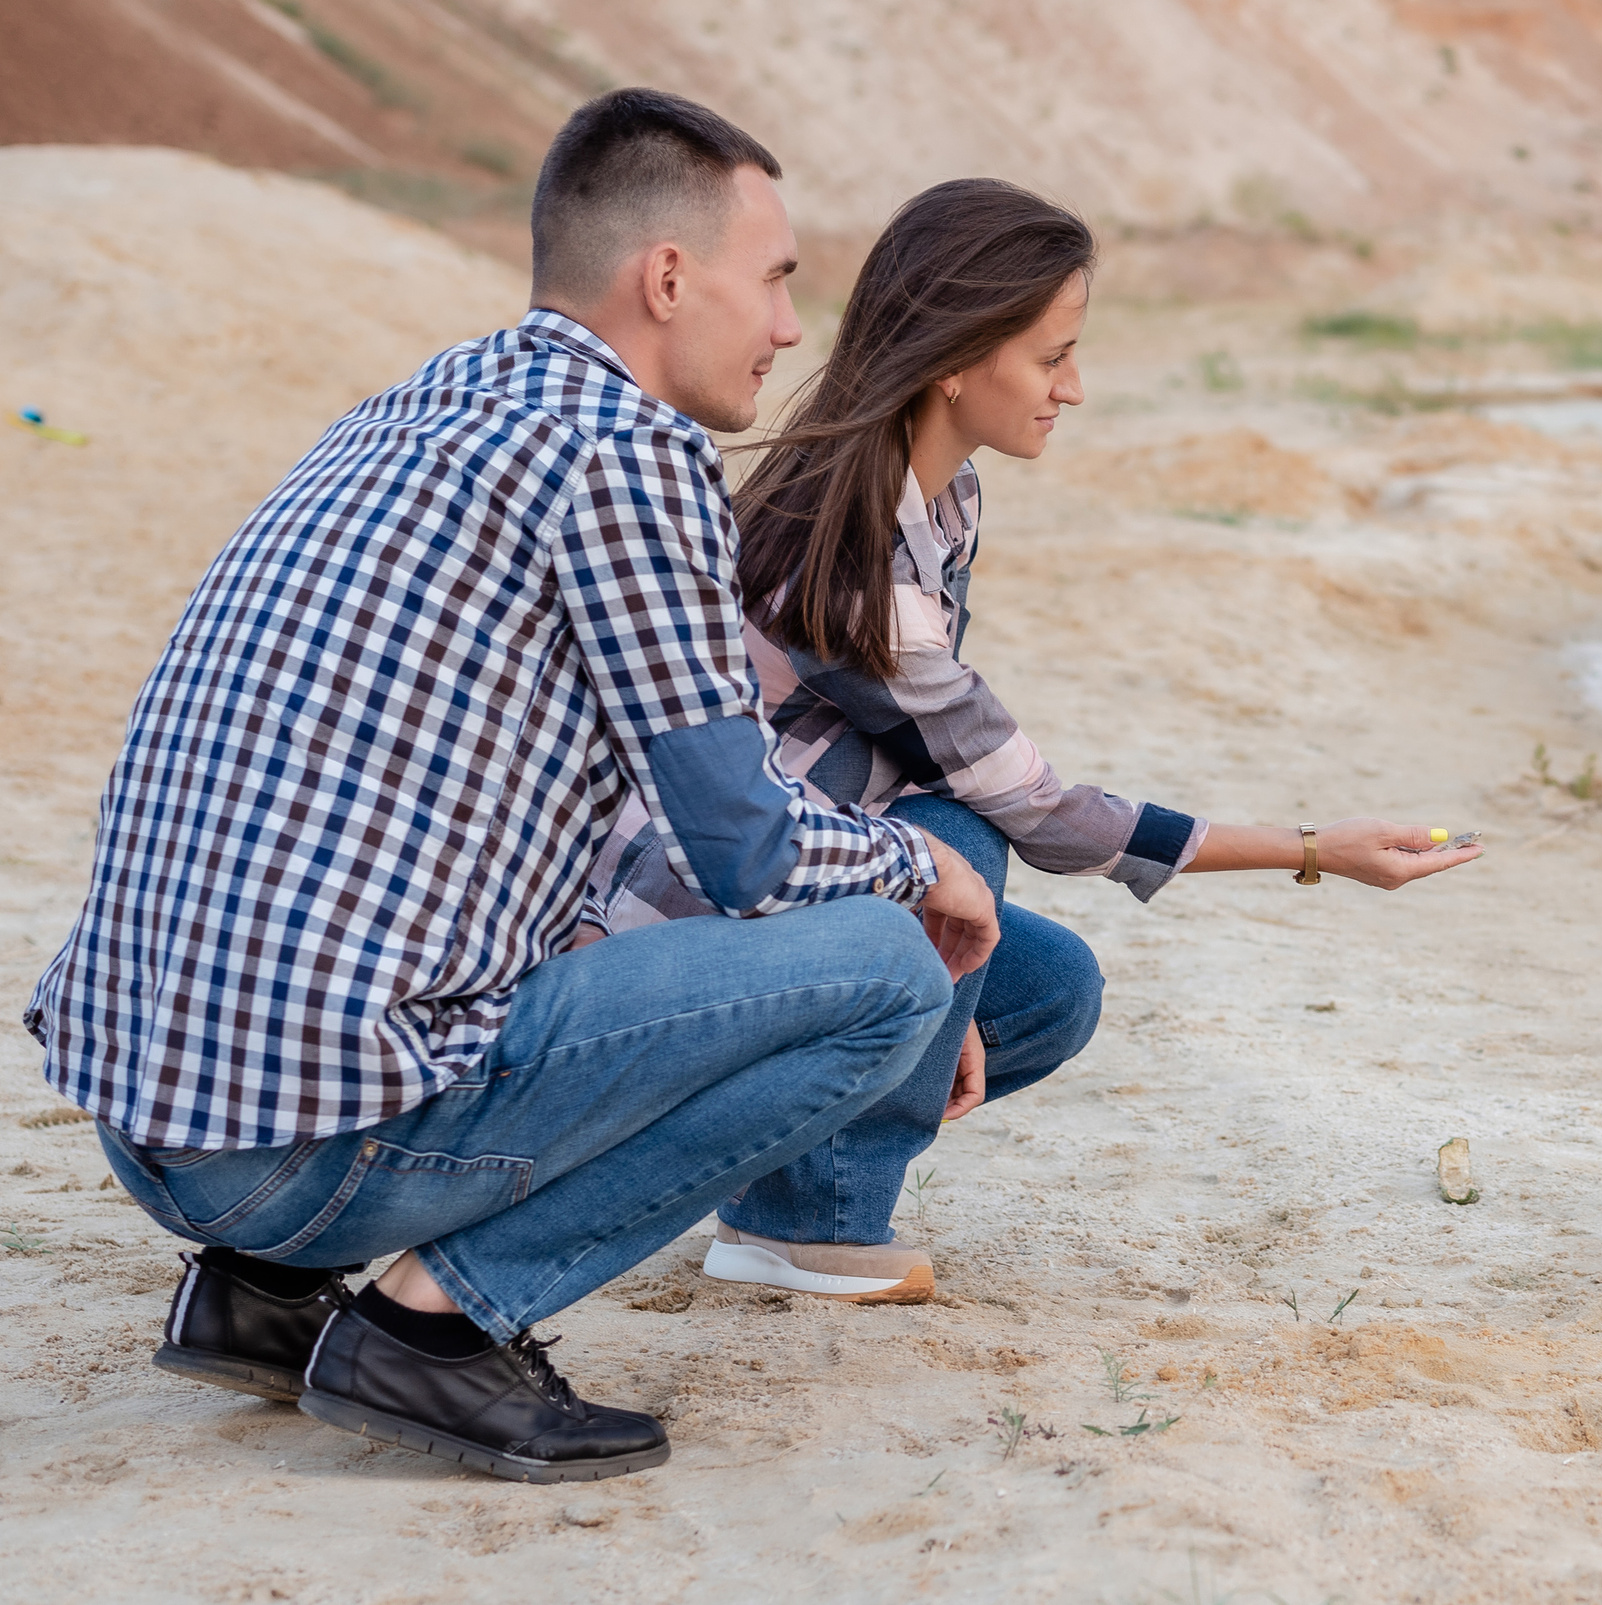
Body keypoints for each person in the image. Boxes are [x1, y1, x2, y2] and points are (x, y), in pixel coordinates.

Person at [21, 89, 1008, 1483]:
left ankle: (259, 1296)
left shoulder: (422, 404)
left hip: (155, 1129)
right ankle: (436, 1336)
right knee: (888, 969)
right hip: (306, 1158)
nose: (792, 327)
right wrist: (929, 867)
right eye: (776, 279)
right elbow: (744, 851)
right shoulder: (629, 450)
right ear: (668, 277)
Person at [588, 176, 1486, 1303]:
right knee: (963, 832)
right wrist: (1318, 849)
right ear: (955, 359)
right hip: (686, 935)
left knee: (1048, 987)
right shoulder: (855, 561)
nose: (1074, 387)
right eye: (1050, 356)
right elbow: (1041, 811)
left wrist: (931, 1011)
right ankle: (800, 1221)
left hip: (796, 899)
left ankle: (790, 1160)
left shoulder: (941, 493)